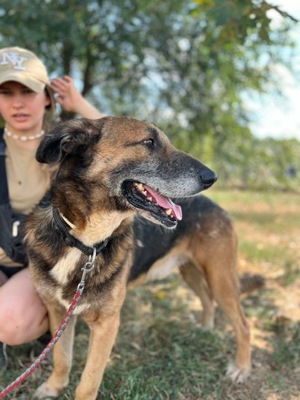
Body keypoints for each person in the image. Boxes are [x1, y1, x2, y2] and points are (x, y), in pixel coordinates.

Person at [0, 46, 104, 372]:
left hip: (47, 265)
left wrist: (79, 106)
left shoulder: (69, 144)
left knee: (12, 322)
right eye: (6, 92)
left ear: (47, 97)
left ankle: (45, 325)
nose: (17, 102)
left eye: (27, 91)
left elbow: (122, 148)